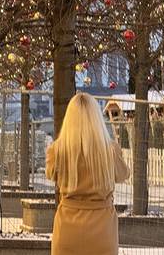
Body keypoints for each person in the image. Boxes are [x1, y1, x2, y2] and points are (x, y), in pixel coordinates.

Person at [46, 93, 130, 255]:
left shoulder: (57, 151)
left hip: (68, 228)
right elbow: (123, 175)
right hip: (102, 229)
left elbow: (50, 174)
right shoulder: (110, 150)